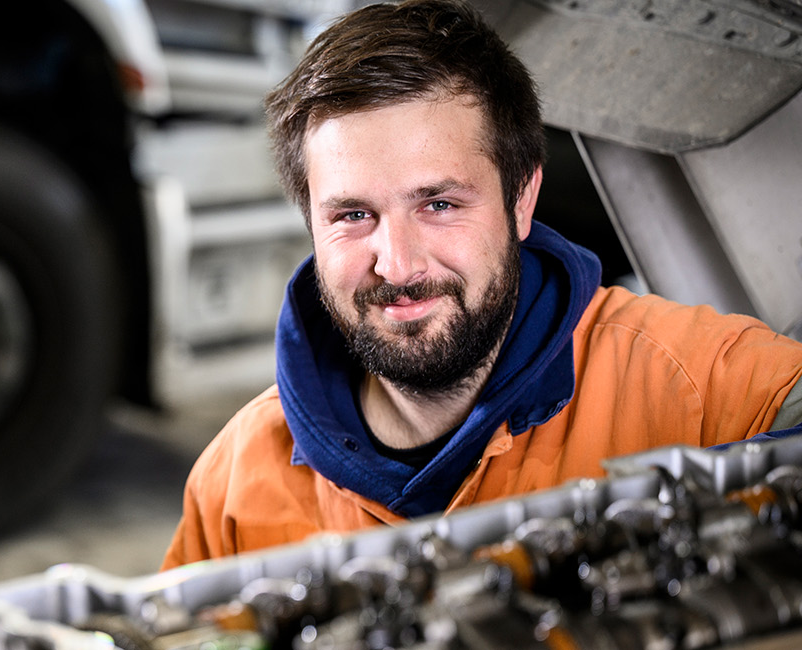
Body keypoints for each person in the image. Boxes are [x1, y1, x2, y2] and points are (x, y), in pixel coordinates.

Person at [162, 0, 802, 569]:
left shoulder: (692, 387)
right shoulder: (234, 487)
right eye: (353, 215)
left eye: (439, 203)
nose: (398, 264)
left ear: (521, 198)